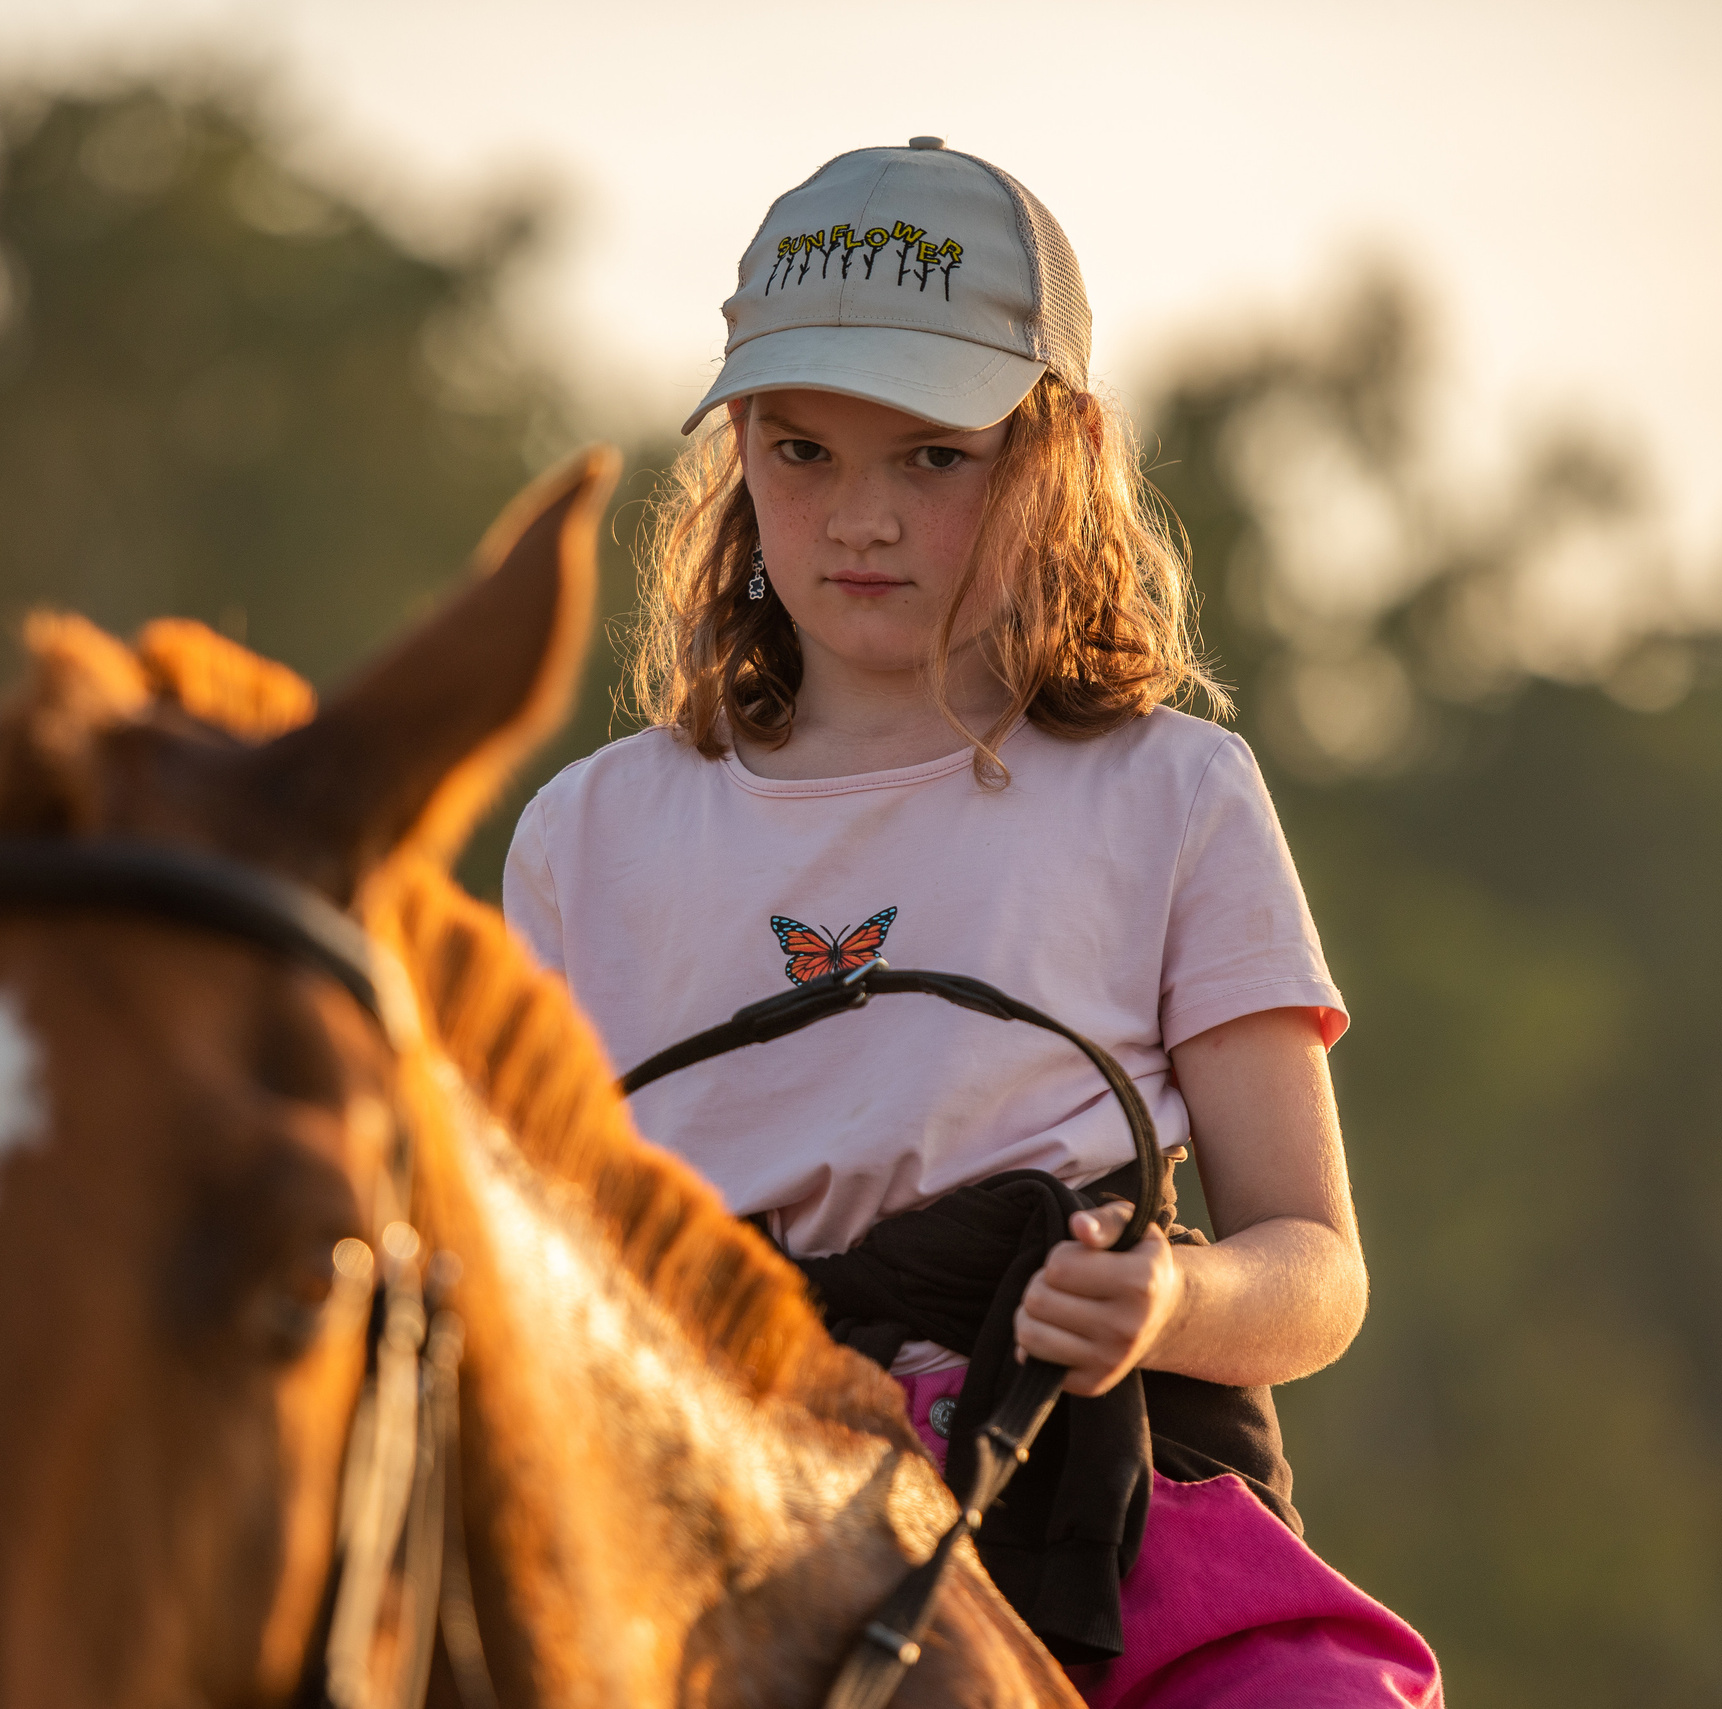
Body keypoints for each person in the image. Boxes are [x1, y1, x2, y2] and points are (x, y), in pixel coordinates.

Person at [504, 139, 1440, 1706]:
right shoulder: (589, 832)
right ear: (736, 446)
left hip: (1095, 1502)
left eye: (932, 456)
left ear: (1053, 451)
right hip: (697, 1518)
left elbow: (1318, 1272)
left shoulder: (1173, 793)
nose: (857, 516)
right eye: (801, 451)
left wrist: (1168, 1298)